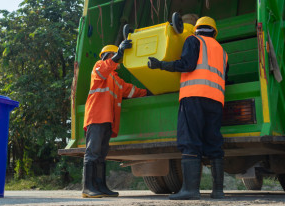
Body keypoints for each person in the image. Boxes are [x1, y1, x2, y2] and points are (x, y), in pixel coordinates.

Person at [147, 16, 228, 200]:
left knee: (190, 140)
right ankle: (218, 191)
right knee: (214, 142)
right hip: (216, 100)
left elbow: (187, 65)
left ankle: (190, 190)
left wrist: (161, 65)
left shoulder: (193, 40)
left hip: (194, 96)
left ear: (196, 29)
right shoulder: (222, 51)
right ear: (214, 32)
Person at [82, 40, 148, 198]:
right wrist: (118, 55)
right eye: (114, 56)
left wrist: (148, 92)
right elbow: (103, 70)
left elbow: (131, 91)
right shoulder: (99, 66)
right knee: (93, 152)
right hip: (96, 117)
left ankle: (100, 186)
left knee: (101, 154)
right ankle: (87, 188)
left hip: (106, 120)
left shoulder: (117, 80)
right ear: (108, 56)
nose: (117, 60)